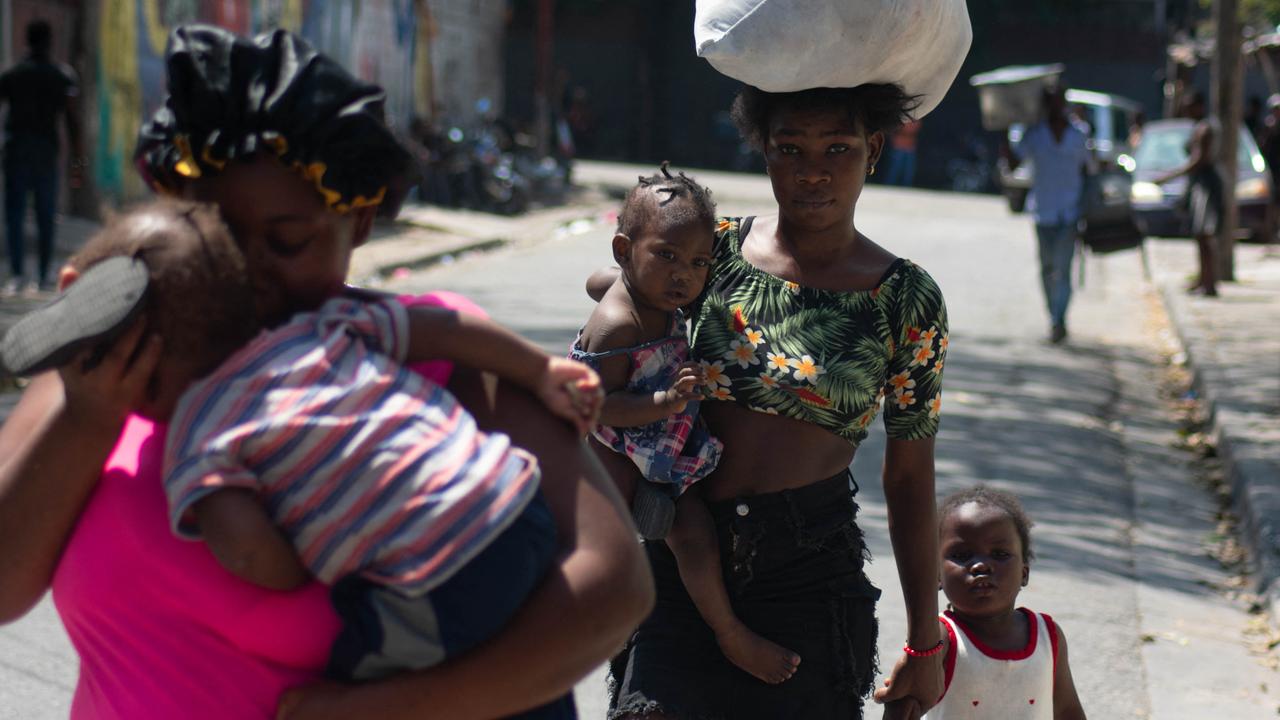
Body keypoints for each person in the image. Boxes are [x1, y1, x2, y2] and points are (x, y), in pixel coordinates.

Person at [0, 25, 651, 720]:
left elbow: (612, 591)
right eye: (212, 230)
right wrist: (89, 414)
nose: (247, 274)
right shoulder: (117, 362)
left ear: (361, 222)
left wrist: (382, 708)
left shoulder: (441, 358)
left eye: (288, 242)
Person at [595, 84, 949, 719]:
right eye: (790, 148)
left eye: (837, 148)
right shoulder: (713, 252)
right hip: (684, 554)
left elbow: (910, 476)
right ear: (764, 150)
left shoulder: (905, 298)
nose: (812, 171)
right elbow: (619, 291)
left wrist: (926, 643)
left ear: (872, 150)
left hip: (806, 577)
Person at [571, 164, 801, 686]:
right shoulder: (618, 324)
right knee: (688, 531)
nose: (684, 275)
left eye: (698, 262)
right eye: (667, 256)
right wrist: (664, 400)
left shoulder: (649, 291)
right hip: (620, 442)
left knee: (670, 518)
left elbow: (595, 280)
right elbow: (599, 406)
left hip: (656, 435)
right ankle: (727, 631)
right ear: (623, 250)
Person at [921, 485, 1085, 719]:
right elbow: (903, 705)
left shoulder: (1048, 637)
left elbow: (1068, 710)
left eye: (999, 554)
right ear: (937, 575)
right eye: (962, 555)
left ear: (1024, 573)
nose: (981, 566)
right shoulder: (939, 638)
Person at [1003, 86, 1094, 343]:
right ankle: (1052, 314)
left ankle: (1059, 319)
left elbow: (1090, 169)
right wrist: (1004, 136)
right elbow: (1013, 164)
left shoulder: (1079, 135)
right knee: (1047, 267)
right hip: (1042, 212)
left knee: (1063, 269)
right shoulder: (1035, 135)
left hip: (1070, 211)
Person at [0, 19, 83, 296]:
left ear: (27, 40)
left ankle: (18, 274)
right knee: (46, 214)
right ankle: (44, 274)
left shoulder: (12, 74)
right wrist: (78, 163)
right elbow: (73, 123)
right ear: (50, 41)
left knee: (15, 214)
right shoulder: (62, 77)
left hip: (16, 151)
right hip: (46, 154)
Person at [1154, 91, 1221, 297]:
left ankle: (1209, 283)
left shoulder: (1205, 129)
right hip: (1198, 184)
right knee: (1199, 236)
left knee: (1205, 234)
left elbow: (1197, 161)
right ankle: (1202, 279)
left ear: (1199, 106)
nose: (1186, 111)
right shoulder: (1197, 128)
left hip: (1206, 185)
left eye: (1190, 106)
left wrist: (1168, 176)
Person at [884, 118, 921, 187]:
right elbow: (897, 128)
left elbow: (914, 128)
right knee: (894, 168)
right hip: (898, 145)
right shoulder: (901, 117)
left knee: (908, 170)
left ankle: (906, 186)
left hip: (910, 146)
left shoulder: (916, 117)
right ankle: (889, 185)